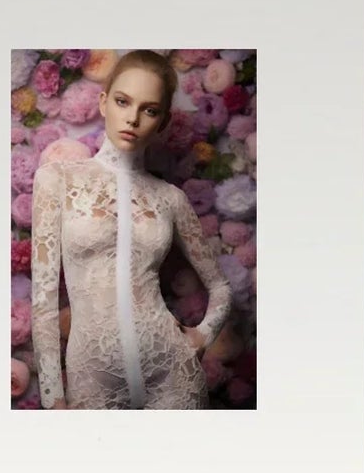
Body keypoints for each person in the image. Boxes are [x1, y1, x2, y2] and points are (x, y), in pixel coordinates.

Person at [29, 50, 231, 410]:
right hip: (93, 378)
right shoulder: (56, 181)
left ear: (163, 121)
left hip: (172, 373)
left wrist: (202, 335)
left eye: (149, 109)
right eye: (123, 102)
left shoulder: (171, 198)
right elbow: (43, 304)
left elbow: (221, 286)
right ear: (104, 103)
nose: (133, 118)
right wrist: (52, 399)